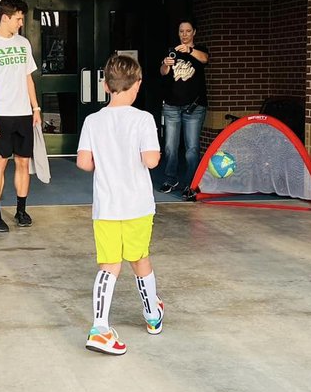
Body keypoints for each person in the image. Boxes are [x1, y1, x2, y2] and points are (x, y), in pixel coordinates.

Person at [76, 54, 164, 355]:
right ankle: (152, 315)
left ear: (105, 85)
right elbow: (151, 160)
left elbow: (84, 162)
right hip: (138, 205)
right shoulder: (143, 119)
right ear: (137, 85)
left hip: (107, 206)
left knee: (108, 265)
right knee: (140, 258)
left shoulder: (92, 121)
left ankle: (100, 327)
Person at [0, 0, 40, 232]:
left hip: (24, 113)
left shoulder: (23, 44)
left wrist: (36, 108)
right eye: (18, 19)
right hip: (1, 114)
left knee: (23, 163)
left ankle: (21, 211)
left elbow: (27, 78)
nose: (21, 23)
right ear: (5, 18)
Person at [157, 19, 210, 200]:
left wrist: (189, 50)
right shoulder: (172, 50)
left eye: (188, 31)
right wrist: (166, 63)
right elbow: (163, 72)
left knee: (192, 148)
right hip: (172, 106)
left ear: (194, 32)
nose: (184, 34)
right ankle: (171, 180)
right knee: (170, 147)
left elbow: (205, 59)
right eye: (181, 31)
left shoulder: (200, 50)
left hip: (194, 107)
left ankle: (191, 184)